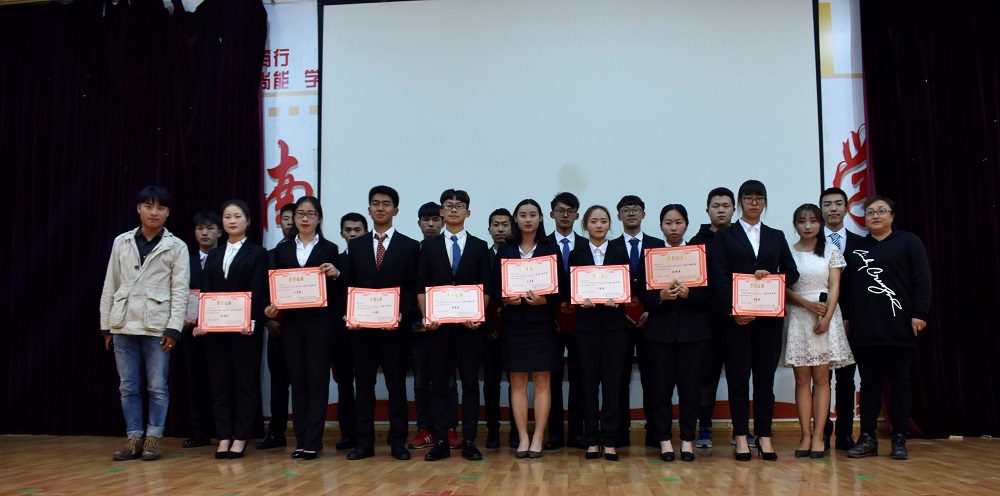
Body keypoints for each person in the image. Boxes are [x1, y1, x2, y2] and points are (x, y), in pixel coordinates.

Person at [709, 179, 799, 461]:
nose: (754, 203)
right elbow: (718, 276)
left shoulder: (776, 236)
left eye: (759, 198)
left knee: (764, 381)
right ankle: (740, 436)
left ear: (765, 203)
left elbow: (792, 272)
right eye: (749, 198)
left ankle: (764, 436)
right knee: (738, 379)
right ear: (740, 203)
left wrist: (773, 278)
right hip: (737, 320)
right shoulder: (725, 236)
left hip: (768, 320)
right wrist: (733, 310)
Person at [100, 186, 190, 461]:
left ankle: (153, 439)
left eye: (160, 208)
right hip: (123, 324)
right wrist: (106, 325)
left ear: (168, 213)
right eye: (149, 206)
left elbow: (180, 291)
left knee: (157, 387)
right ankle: (133, 439)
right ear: (139, 208)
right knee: (128, 386)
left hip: (157, 327)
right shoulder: (122, 242)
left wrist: (174, 328)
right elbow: (110, 284)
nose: (154, 212)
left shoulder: (177, 246)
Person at [845, 196, 931, 460]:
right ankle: (868, 438)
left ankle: (899, 438)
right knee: (869, 384)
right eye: (870, 212)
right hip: (865, 329)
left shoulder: (908, 241)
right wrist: (847, 318)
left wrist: (919, 313)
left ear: (892, 216)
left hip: (899, 326)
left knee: (900, 383)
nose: (875, 216)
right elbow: (846, 288)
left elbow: (923, 279)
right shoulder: (856, 247)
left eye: (881, 211)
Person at [341, 185, 421, 461]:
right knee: (363, 388)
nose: (380, 208)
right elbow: (350, 284)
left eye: (386, 204)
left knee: (396, 387)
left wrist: (401, 313)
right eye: (375, 203)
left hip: (394, 329)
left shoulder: (409, 246)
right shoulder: (357, 245)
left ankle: (398, 442)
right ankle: (364, 443)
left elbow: (412, 287)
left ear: (395, 210)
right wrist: (350, 313)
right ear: (369, 209)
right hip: (362, 330)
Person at [263, 196, 342, 460]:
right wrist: (270, 308)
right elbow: (273, 286)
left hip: (321, 323)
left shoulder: (331, 249)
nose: (305, 218)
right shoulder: (282, 249)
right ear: (294, 218)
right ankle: (301, 439)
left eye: (311, 214)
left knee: (317, 381)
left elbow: (339, 290)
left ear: (319, 218)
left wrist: (336, 274)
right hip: (292, 324)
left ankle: (313, 441)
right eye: (300, 213)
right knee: (298, 381)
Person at [418, 189, 493, 461]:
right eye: (448, 206)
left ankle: (470, 441)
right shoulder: (429, 247)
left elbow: (486, 287)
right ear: (441, 212)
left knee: (470, 384)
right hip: (438, 329)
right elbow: (421, 286)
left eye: (459, 206)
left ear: (468, 213)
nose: (453, 210)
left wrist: (478, 315)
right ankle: (440, 441)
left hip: (469, 329)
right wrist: (427, 316)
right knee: (438, 384)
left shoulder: (479, 246)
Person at [192, 199, 270, 459]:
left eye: (237, 216)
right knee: (219, 386)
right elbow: (206, 291)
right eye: (227, 217)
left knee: (245, 386)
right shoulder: (215, 254)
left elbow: (257, 290)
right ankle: (224, 436)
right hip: (215, 332)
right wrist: (202, 322)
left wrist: (252, 321)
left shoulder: (258, 253)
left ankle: (240, 437)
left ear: (248, 221)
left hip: (245, 331)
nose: (232, 221)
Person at [490, 199, 564, 458]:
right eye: (523, 215)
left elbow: (561, 287)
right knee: (517, 381)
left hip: (541, 324)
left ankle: (539, 436)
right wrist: (504, 299)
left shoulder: (550, 248)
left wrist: (546, 300)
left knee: (543, 381)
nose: (528, 219)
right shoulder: (506, 250)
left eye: (533, 215)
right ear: (516, 219)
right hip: (514, 325)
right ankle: (522, 436)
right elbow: (495, 286)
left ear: (541, 218)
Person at [780, 203, 854, 459]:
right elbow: (783, 286)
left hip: (825, 317)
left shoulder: (831, 250)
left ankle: (820, 436)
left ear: (820, 224)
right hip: (799, 316)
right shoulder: (788, 252)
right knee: (802, 380)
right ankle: (805, 435)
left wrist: (827, 316)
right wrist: (806, 304)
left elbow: (834, 286)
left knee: (822, 380)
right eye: (802, 221)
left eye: (813, 221)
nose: (808, 226)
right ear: (795, 224)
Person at [644, 204, 713, 462]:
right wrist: (659, 297)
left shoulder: (698, 254)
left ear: (686, 225)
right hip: (659, 335)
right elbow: (639, 293)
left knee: (690, 390)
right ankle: (664, 440)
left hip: (693, 334)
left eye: (679, 222)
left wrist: (689, 295)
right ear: (661, 226)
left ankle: (686, 440)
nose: (673, 228)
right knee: (660, 391)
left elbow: (711, 293)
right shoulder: (651, 255)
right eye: (668, 223)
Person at [569, 205, 629, 461]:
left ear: (609, 225)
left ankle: (610, 440)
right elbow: (570, 288)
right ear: (585, 226)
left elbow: (627, 286)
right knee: (588, 384)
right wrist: (579, 300)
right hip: (586, 327)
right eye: (594, 221)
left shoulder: (619, 251)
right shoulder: (577, 253)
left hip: (615, 327)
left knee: (612, 385)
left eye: (604, 221)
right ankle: (592, 438)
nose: (599, 225)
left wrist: (620, 298)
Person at [609, 195, 665, 447]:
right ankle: (619, 433)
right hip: (618, 322)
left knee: (653, 379)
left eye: (636, 209)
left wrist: (651, 311)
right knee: (618, 379)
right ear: (618, 216)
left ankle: (656, 434)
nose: (631, 213)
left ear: (643, 214)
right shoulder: (609, 247)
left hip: (651, 321)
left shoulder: (657, 245)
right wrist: (619, 313)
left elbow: (662, 283)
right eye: (626, 210)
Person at [688, 188, 740, 450]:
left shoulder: (742, 238)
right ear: (707, 209)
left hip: (738, 318)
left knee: (738, 375)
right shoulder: (697, 242)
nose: (721, 210)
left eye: (726, 205)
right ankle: (705, 426)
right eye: (716, 205)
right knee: (705, 376)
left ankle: (740, 430)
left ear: (734, 209)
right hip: (706, 320)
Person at [409, 202, 461, 451]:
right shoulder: (411, 250)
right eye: (425, 220)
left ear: (442, 221)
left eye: (434, 220)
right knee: (420, 382)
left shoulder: (452, 249)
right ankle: (425, 429)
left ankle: (449, 428)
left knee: (447, 381)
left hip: (446, 327)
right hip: (418, 329)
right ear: (419, 223)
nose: (430, 224)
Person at [819, 187, 865, 451]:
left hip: (851, 322)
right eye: (827, 204)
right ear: (821, 209)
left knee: (847, 380)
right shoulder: (811, 242)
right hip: (820, 319)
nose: (833, 208)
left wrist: (849, 317)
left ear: (846, 209)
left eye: (838, 203)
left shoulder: (862, 244)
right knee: (820, 380)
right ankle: (822, 432)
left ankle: (845, 434)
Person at [546, 192, 587, 450]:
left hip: (581, 321)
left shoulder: (586, 245)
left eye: (570, 211)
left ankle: (576, 434)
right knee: (551, 379)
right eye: (560, 210)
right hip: (549, 322)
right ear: (551, 214)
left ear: (577, 215)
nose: (565, 215)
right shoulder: (541, 245)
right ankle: (554, 434)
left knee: (579, 378)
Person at [181, 210, 222, 449]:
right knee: (196, 382)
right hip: (191, 331)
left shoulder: (226, 257)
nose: (204, 233)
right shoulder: (184, 260)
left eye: (209, 228)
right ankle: (200, 432)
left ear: (219, 231)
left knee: (222, 382)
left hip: (220, 330)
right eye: (200, 228)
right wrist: (182, 319)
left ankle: (224, 430)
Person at [257, 202, 295, 450]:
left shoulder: (309, 254)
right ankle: (276, 432)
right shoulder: (268, 255)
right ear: (279, 222)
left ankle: (305, 433)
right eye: (286, 219)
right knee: (278, 384)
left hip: (302, 330)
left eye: (294, 218)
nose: (290, 223)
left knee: (303, 383)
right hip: (276, 329)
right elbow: (259, 291)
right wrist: (266, 320)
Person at [328, 212, 367, 451]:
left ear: (366, 232)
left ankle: (364, 435)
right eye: (348, 230)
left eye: (357, 230)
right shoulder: (334, 262)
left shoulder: (371, 260)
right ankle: (347, 435)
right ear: (342, 233)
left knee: (364, 385)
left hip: (366, 332)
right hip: (340, 334)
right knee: (344, 386)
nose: (352, 234)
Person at [481, 208, 511, 449]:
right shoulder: (482, 255)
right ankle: (492, 431)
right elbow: (478, 292)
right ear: (489, 229)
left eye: (505, 224)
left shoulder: (518, 255)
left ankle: (516, 431)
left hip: (514, 330)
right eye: (496, 225)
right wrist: (487, 325)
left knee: (516, 382)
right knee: (491, 383)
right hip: (487, 331)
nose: (500, 229)